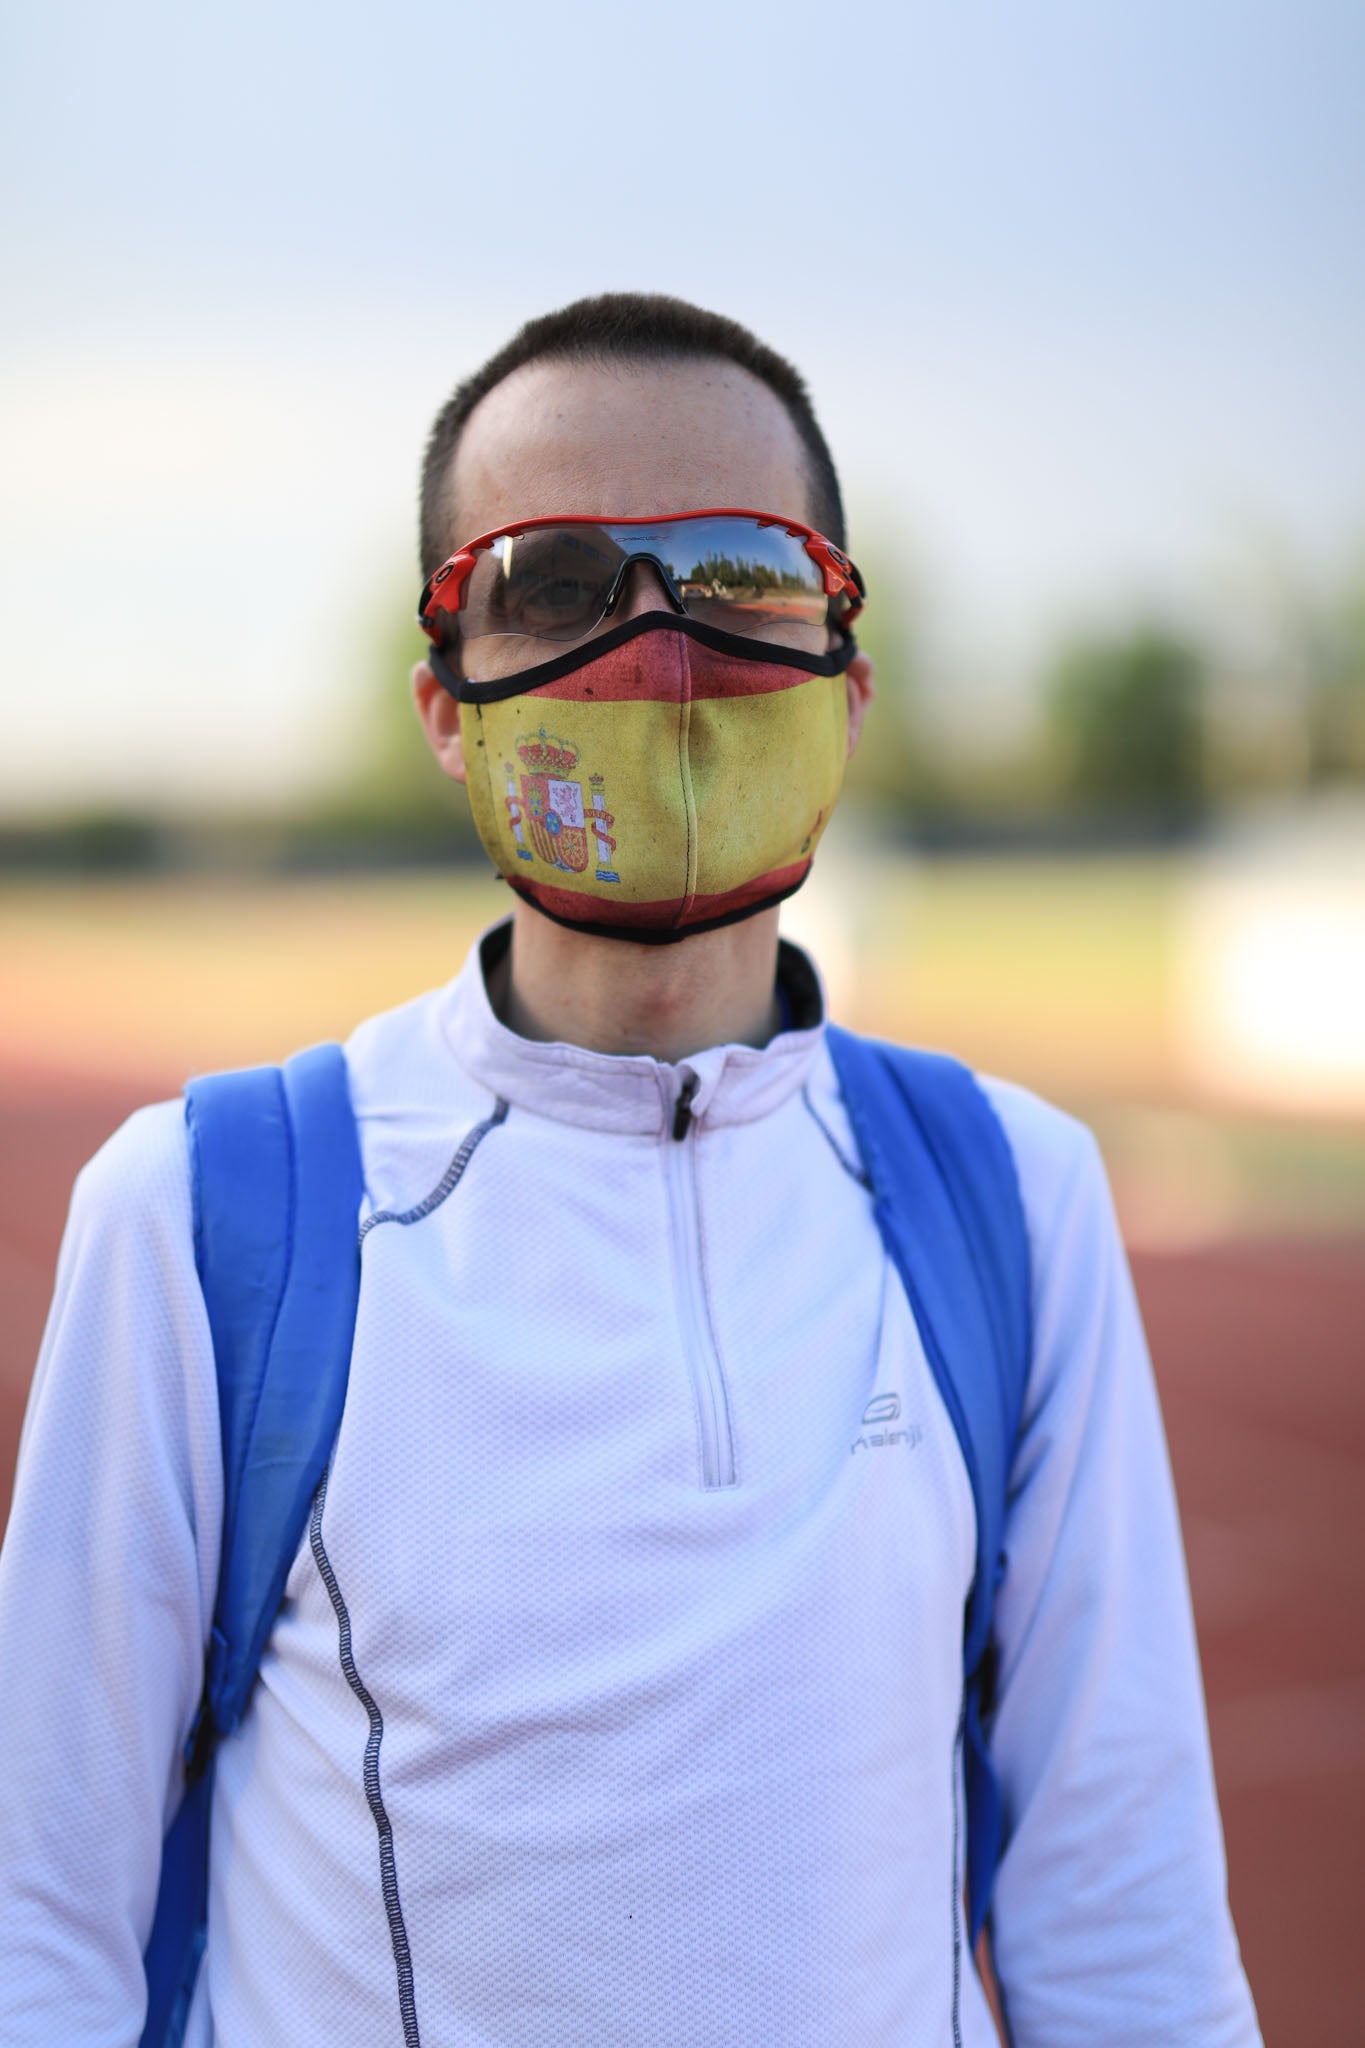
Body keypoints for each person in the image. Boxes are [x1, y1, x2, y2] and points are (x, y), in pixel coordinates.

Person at [0, 294, 1261, 2046]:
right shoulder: (204, 1212)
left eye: (740, 575)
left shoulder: (1012, 1198)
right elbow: (34, 1915)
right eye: (558, 576)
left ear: (849, 679)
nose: (658, 647)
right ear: (445, 704)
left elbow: (1124, 1931)